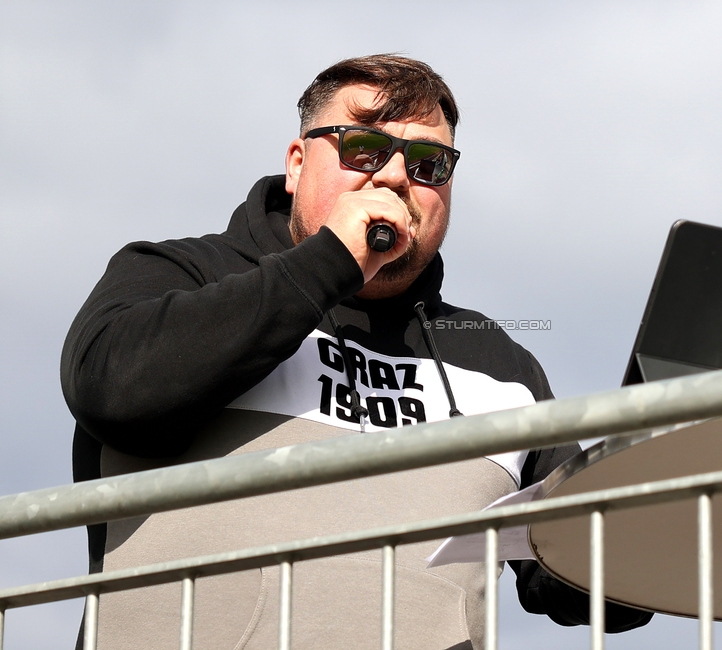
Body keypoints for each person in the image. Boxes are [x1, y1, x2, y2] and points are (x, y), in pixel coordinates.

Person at [62, 54, 651, 649]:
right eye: (362, 148)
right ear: (297, 164)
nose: (396, 177)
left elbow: (580, 578)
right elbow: (111, 389)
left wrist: (688, 477)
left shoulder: (502, 368)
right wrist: (332, 261)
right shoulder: (181, 275)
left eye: (429, 163)